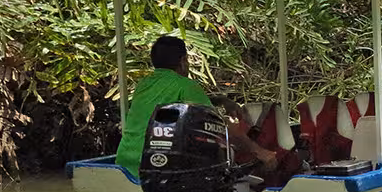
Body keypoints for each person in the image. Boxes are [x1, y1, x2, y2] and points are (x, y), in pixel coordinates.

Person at [115, 36, 276, 176]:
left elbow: (179, 103)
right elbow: (220, 126)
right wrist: (260, 152)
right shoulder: (186, 86)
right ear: (183, 61)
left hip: (125, 164)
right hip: (157, 168)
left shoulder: (143, 85)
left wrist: (221, 100)